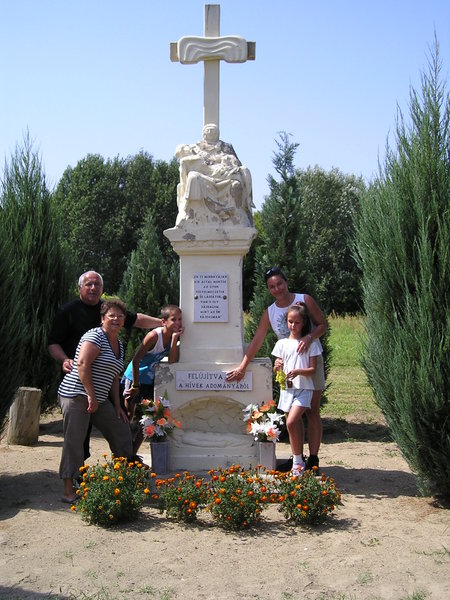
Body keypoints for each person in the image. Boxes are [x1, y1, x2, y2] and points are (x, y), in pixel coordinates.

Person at [48, 270, 161, 459]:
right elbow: (53, 343)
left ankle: (126, 463)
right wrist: (64, 359)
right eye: (89, 284)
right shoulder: (67, 311)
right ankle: (78, 470)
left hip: (106, 381)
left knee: (121, 420)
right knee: (79, 433)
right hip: (79, 382)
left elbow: (137, 319)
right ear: (80, 288)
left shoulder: (110, 311)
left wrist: (163, 323)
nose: (93, 288)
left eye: (97, 285)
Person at [226, 266, 327, 470]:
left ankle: (313, 459)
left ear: (286, 282)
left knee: (312, 411)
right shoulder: (270, 312)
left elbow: (322, 324)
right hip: (288, 367)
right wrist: (243, 366)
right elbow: (257, 339)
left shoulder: (304, 299)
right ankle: (297, 458)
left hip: (309, 361)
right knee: (291, 414)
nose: (277, 289)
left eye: (279, 283)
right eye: (272, 286)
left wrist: (309, 337)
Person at [58, 298, 133, 503]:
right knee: (75, 440)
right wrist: (91, 395)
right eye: (111, 315)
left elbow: (114, 377)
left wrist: (117, 405)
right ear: (102, 318)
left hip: (98, 398)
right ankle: (68, 490)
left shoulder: (119, 344)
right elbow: (83, 364)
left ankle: (124, 478)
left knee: (120, 428)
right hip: (76, 395)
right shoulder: (95, 336)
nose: (116, 319)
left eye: (120, 316)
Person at [122, 305, 184, 454]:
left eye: (180, 319)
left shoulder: (174, 336)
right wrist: (135, 385)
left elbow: (172, 361)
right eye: (173, 319)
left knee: (149, 420)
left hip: (149, 381)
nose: (178, 323)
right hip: (135, 378)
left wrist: (174, 339)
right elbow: (136, 360)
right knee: (128, 417)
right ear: (163, 321)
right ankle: (122, 455)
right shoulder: (154, 336)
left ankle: (133, 454)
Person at [272, 304, 322, 476]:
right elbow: (277, 369)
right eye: (290, 322)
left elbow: (312, 370)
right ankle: (297, 461)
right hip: (287, 389)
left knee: (292, 422)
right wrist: (277, 366)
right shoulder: (282, 343)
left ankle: (300, 461)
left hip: (304, 388)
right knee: (292, 425)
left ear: (304, 323)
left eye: (297, 322)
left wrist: (299, 371)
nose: (293, 325)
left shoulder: (310, 344)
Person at [175, 123, 254, 227]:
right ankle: (193, 214)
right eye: (208, 130)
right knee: (193, 177)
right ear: (203, 133)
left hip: (223, 172)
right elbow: (184, 167)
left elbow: (236, 162)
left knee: (237, 181)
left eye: (213, 130)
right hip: (205, 176)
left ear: (218, 132)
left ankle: (238, 213)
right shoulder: (194, 148)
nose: (210, 132)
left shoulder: (226, 147)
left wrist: (225, 160)